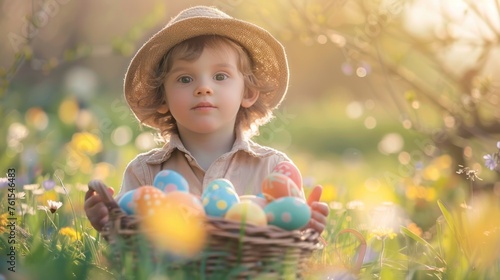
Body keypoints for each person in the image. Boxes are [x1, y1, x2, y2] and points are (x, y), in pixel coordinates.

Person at [84, 6, 329, 234]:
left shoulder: (272, 169)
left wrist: (305, 225)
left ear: (248, 92)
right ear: (162, 98)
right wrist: (110, 223)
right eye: (185, 79)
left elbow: (289, 245)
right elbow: (130, 246)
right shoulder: (145, 174)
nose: (203, 88)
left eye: (220, 76)